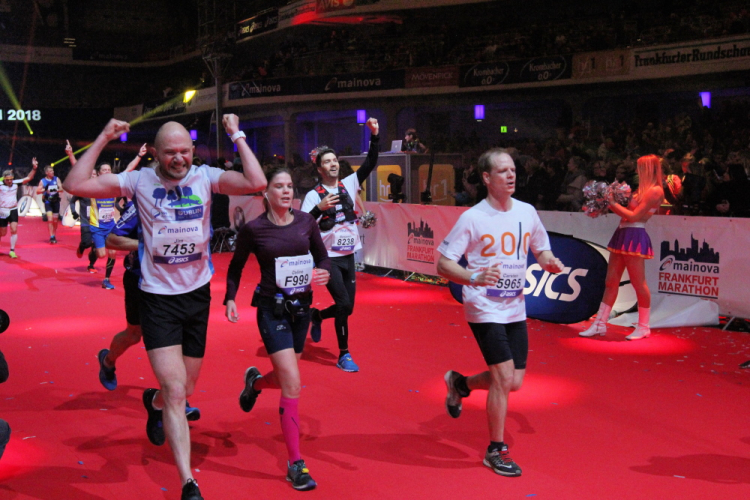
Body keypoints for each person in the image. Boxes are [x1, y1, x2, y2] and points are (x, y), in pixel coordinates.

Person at [63, 114, 266, 500]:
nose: (179, 159)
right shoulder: (138, 180)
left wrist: (236, 134)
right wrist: (104, 136)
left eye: (185, 151)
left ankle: (151, 402)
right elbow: (74, 184)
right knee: (174, 390)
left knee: (184, 390)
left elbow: (256, 183)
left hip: (197, 296)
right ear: (155, 153)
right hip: (156, 297)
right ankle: (188, 482)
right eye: (170, 152)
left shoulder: (205, 177)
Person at [437, 148, 564, 477]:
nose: (511, 175)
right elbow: (444, 264)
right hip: (484, 306)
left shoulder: (526, 211)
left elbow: (541, 248)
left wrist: (549, 261)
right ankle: (495, 450)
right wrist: (474, 277)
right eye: (503, 171)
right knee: (504, 376)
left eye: (513, 170)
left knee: (514, 382)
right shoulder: (473, 217)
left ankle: (460, 384)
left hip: (514, 307)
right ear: (486, 178)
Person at [225, 166, 330, 491]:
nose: (286, 191)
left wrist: (324, 272)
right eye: (279, 186)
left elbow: (323, 258)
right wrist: (230, 298)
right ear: (266, 193)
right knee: (293, 384)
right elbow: (236, 266)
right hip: (272, 310)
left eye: (289, 186)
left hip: (302, 309)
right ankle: (296, 464)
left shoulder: (306, 222)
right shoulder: (254, 229)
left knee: (286, 377)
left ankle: (255, 383)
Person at [100, 194, 200, 421]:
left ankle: (175, 400)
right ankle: (108, 360)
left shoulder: (189, 202)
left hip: (175, 283)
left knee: (174, 341)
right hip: (141, 281)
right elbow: (112, 240)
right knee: (134, 334)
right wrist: (150, 246)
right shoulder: (141, 204)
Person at [301, 117, 379, 372]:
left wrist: (375, 135)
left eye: (334, 160)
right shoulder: (313, 195)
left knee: (348, 308)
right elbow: (302, 226)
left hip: (348, 256)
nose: (333, 164)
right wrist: (318, 208)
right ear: (319, 168)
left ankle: (317, 315)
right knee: (343, 304)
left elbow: (370, 163)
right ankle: (344, 354)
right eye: (327, 161)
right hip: (327, 258)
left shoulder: (349, 184)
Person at [580, 154, 664, 341]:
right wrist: (607, 202)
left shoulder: (655, 191)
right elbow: (626, 214)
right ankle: (599, 324)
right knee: (611, 282)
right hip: (622, 234)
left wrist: (612, 202)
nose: (637, 171)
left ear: (649, 168)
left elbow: (634, 217)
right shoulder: (642, 190)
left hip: (635, 236)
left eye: (640, 167)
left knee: (638, 283)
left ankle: (644, 326)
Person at [0, 158, 38, 258]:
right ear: (4, 179)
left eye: (11, 179)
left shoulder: (16, 183)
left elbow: (28, 178)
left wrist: (34, 168)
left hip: (13, 209)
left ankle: (12, 250)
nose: (9, 181)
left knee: (14, 229)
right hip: (2, 210)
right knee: (2, 232)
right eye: (7, 180)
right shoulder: (0, 185)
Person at [37, 164, 63, 243]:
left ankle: (54, 234)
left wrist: (55, 189)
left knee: (55, 220)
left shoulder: (56, 179)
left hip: (56, 201)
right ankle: (51, 236)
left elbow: (61, 189)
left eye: (53, 170)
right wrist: (45, 190)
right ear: (47, 173)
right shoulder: (43, 181)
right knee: (50, 219)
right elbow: (38, 191)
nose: (53, 172)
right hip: (48, 202)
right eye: (51, 171)